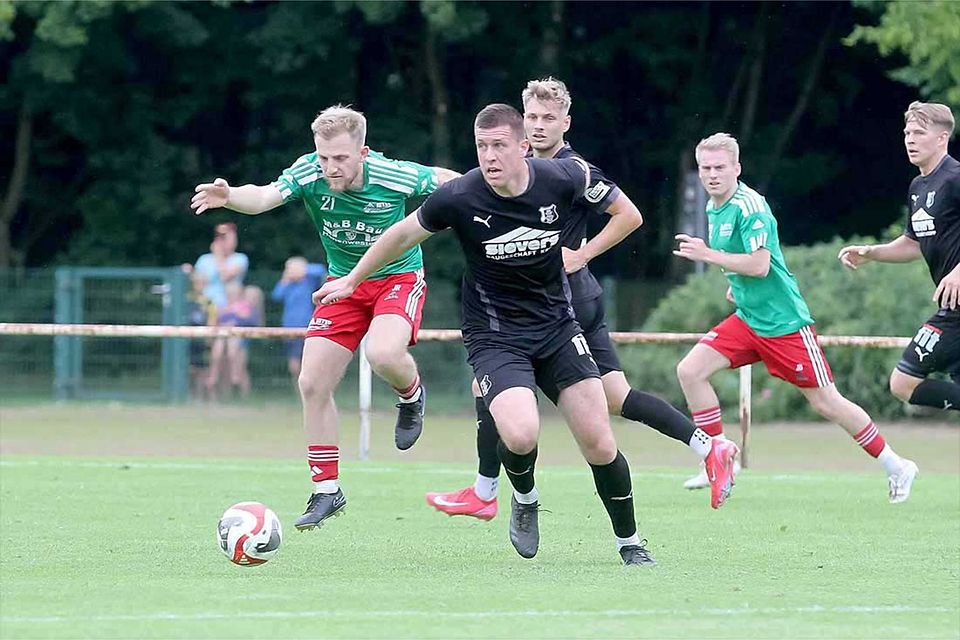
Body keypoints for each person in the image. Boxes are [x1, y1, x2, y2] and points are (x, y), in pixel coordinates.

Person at [318, 103, 657, 566]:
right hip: (495, 335)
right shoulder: (460, 196)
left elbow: (627, 213)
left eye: (499, 145)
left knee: (599, 441)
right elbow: (400, 235)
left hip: (558, 328)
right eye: (481, 146)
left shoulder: (565, 176)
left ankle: (630, 543)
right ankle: (525, 499)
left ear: (523, 147)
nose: (489, 156)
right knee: (520, 433)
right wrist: (353, 279)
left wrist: (583, 254)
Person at [425, 78, 739, 518]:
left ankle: (486, 490)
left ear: (565, 123)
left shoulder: (571, 168)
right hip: (558, 302)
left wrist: (584, 253)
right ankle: (709, 445)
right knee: (617, 397)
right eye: (531, 117)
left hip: (564, 303)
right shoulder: (517, 166)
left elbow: (628, 216)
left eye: (547, 118)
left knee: (492, 386)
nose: (538, 126)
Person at [191, 105, 460, 531]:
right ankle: (326, 490)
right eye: (324, 157)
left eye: (341, 158)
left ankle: (410, 395)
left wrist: (488, 192)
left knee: (384, 353)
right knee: (312, 382)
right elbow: (263, 196)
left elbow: (448, 180)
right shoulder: (309, 172)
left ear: (363, 152)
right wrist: (231, 198)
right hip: (341, 284)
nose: (331, 168)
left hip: (397, 278)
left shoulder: (393, 174)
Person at [674, 132, 919, 503]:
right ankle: (719, 455)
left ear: (737, 169)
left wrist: (708, 256)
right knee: (690, 371)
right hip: (749, 319)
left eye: (720, 167)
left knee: (827, 403)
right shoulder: (713, 207)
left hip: (785, 325)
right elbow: (743, 265)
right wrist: (734, 285)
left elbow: (759, 264)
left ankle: (896, 465)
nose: (712, 174)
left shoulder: (749, 206)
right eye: (705, 167)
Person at [838, 101, 959, 412]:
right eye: (907, 132)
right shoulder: (918, 186)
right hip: (951, 306)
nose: (910, 139)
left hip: (956, 310)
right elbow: (913, 242)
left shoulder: (955, 177)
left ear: (942, 138)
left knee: (903, 382)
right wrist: (870, 253)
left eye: (919, 132)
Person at [271, 256, 328, 386]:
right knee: (294, 359)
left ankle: (312, 385)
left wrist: (302, 270)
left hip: (308, 325)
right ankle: (298, 388)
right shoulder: (288, 284)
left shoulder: (308, 280)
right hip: (289, 326)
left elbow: (321, 270)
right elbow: (276, 296)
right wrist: (285, 279)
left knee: (310, 358)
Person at [194, 222, 249, 309]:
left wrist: (218, 256)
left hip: (230, 306)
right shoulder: (204, 259)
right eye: (221, 237)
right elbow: (197, 285)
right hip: (206, 304)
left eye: (228, 237)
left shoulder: (240, 258)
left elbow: (225, 277)